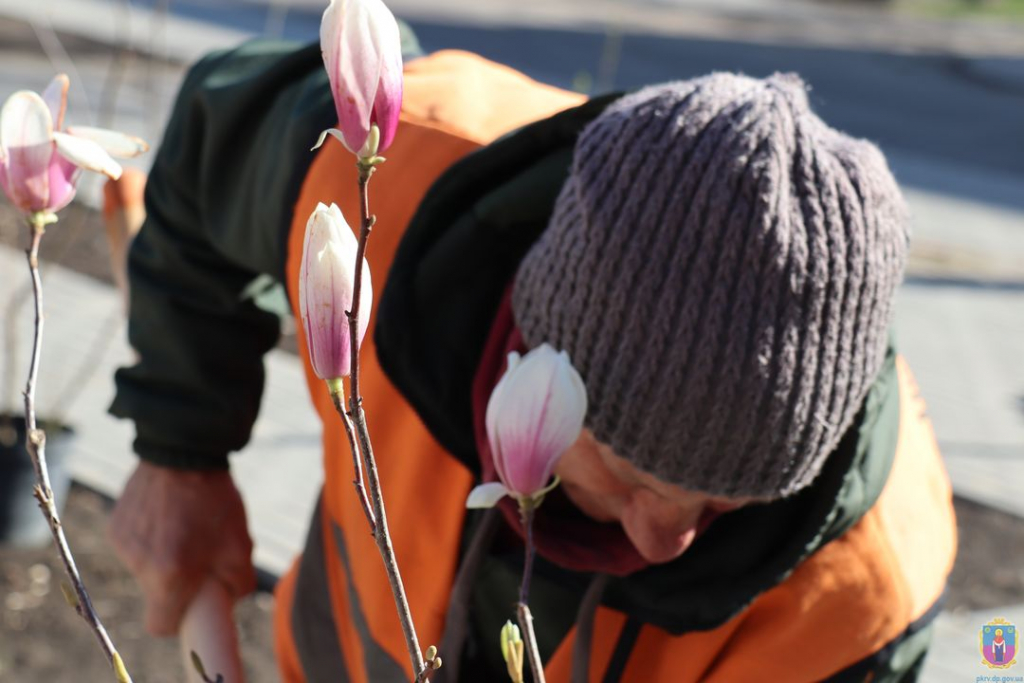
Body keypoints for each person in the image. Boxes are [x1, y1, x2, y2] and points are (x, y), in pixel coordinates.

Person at [106, 33, 958, 682]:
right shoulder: (389, 185)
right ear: (529, 345)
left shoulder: (865, 594)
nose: (663, 540)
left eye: (724, 504)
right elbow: (214, 145)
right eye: (630, 475)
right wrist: (181, 452)